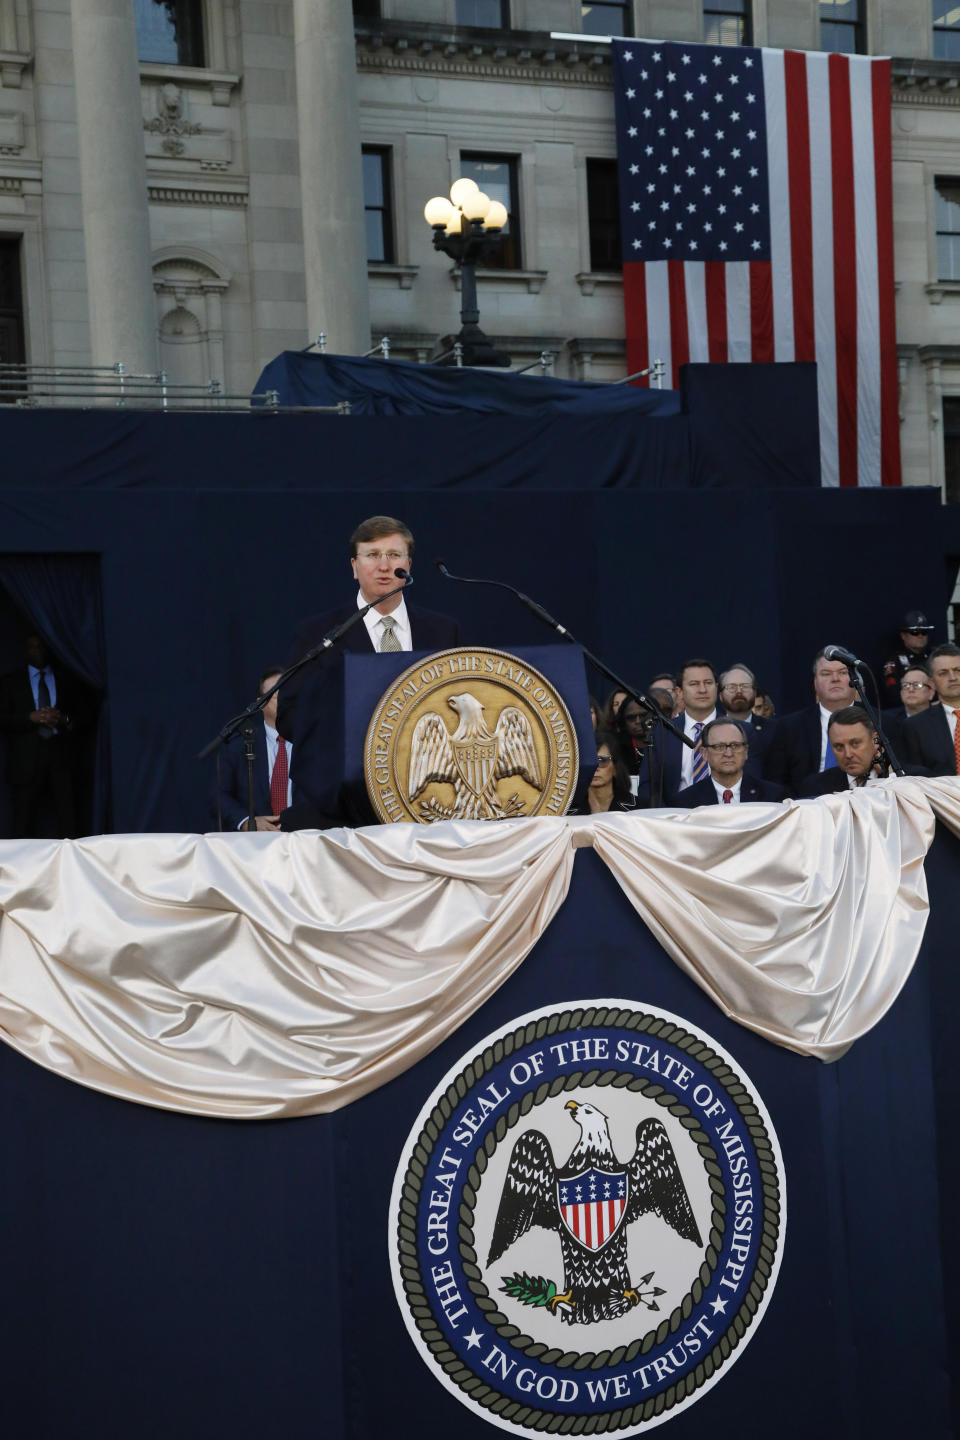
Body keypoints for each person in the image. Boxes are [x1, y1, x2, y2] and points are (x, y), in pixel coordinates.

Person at [277, 515, 460, 829]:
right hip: (341, 804)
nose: (384, 566)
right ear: (354, 566)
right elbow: (290, 717)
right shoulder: (319, 633)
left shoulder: (442, 631)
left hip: (427, 798)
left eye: (394, 555)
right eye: (373, 555)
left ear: (409, 564)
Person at [0, 632, 89, 838]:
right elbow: (2, 719)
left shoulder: (67, 679)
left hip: (62, 759)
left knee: (69, 822)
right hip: (26, 762)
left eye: (41, 646)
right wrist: (29, 718)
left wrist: (63, 719)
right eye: (32, 647)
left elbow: (85, 716)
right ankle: (23, 867)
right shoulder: (10, 682)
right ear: (25, 651)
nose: (37, 651)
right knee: (23, 824)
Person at [763, 649, 857, 798]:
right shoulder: (788, 728)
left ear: (854, 678)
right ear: (815, 683)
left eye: (843, 672)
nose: (835, 678)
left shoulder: (880, 722)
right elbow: (776, 784)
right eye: (826, 673)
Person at [214, 666, 293, 831]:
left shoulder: (313, 743)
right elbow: (218, 795)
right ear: (261, 703)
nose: (286, 699)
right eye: (278, 694)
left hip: (304, 841)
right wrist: (246, 821)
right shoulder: (240, 745)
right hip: (255, 844)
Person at [675, 719, 786, 807]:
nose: (728, 753)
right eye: (719, 747)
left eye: (735, 745)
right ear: (704, 753)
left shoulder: (773, 797)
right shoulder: (685, 802)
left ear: (746, 751)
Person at [897, 642, 960, 776]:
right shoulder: (915, 726)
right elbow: (913, 777)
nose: (953, 678)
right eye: (943, 673)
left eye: (957, 670)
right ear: (932, 684)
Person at [799, 706, 889, 795]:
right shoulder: (814, 787)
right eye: (839, 746)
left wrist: (890, 778)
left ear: (875, 740)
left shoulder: (897, 778)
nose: (848, 754)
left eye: (855, 743)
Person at [718, 663, 775, 769]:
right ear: (720, 696)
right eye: (732, 687)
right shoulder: (710, 729)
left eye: (745, 686)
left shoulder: (774, 730)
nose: (739, 692)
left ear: (754, 693)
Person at [879, 609, 935, 707]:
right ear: (903, 635)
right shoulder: (895, 661)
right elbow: (893, 695)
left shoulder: (935, 657)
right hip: (907, 711)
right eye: (915, 632)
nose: (920, 636)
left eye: (924, 632)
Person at [572, 731, 636, 814]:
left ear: (616, 767)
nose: (595, 768)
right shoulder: (566, 810)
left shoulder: (639, 807)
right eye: (589, 761)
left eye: (602, 760)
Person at [882, 663, 936, 752]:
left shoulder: (944, 719)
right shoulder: (887, 721)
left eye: (917, 685)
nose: (910, 689)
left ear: (931, 692)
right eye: (906, 685)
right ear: (901, 692)